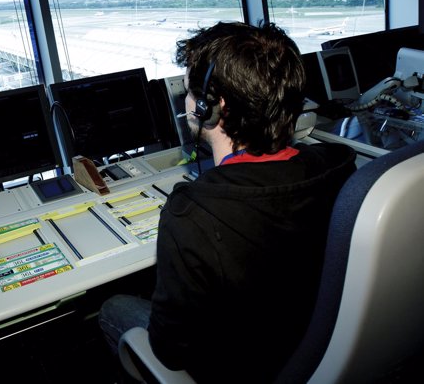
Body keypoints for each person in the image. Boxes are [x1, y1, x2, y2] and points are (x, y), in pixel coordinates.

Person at [99, 21, 356, 383]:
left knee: (115, 308)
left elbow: (170, 350)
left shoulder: (192, 213)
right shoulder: (338, 164)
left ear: (211, 108)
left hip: (241, 368)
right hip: (309, 342)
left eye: (191, 91)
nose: (187, 101)